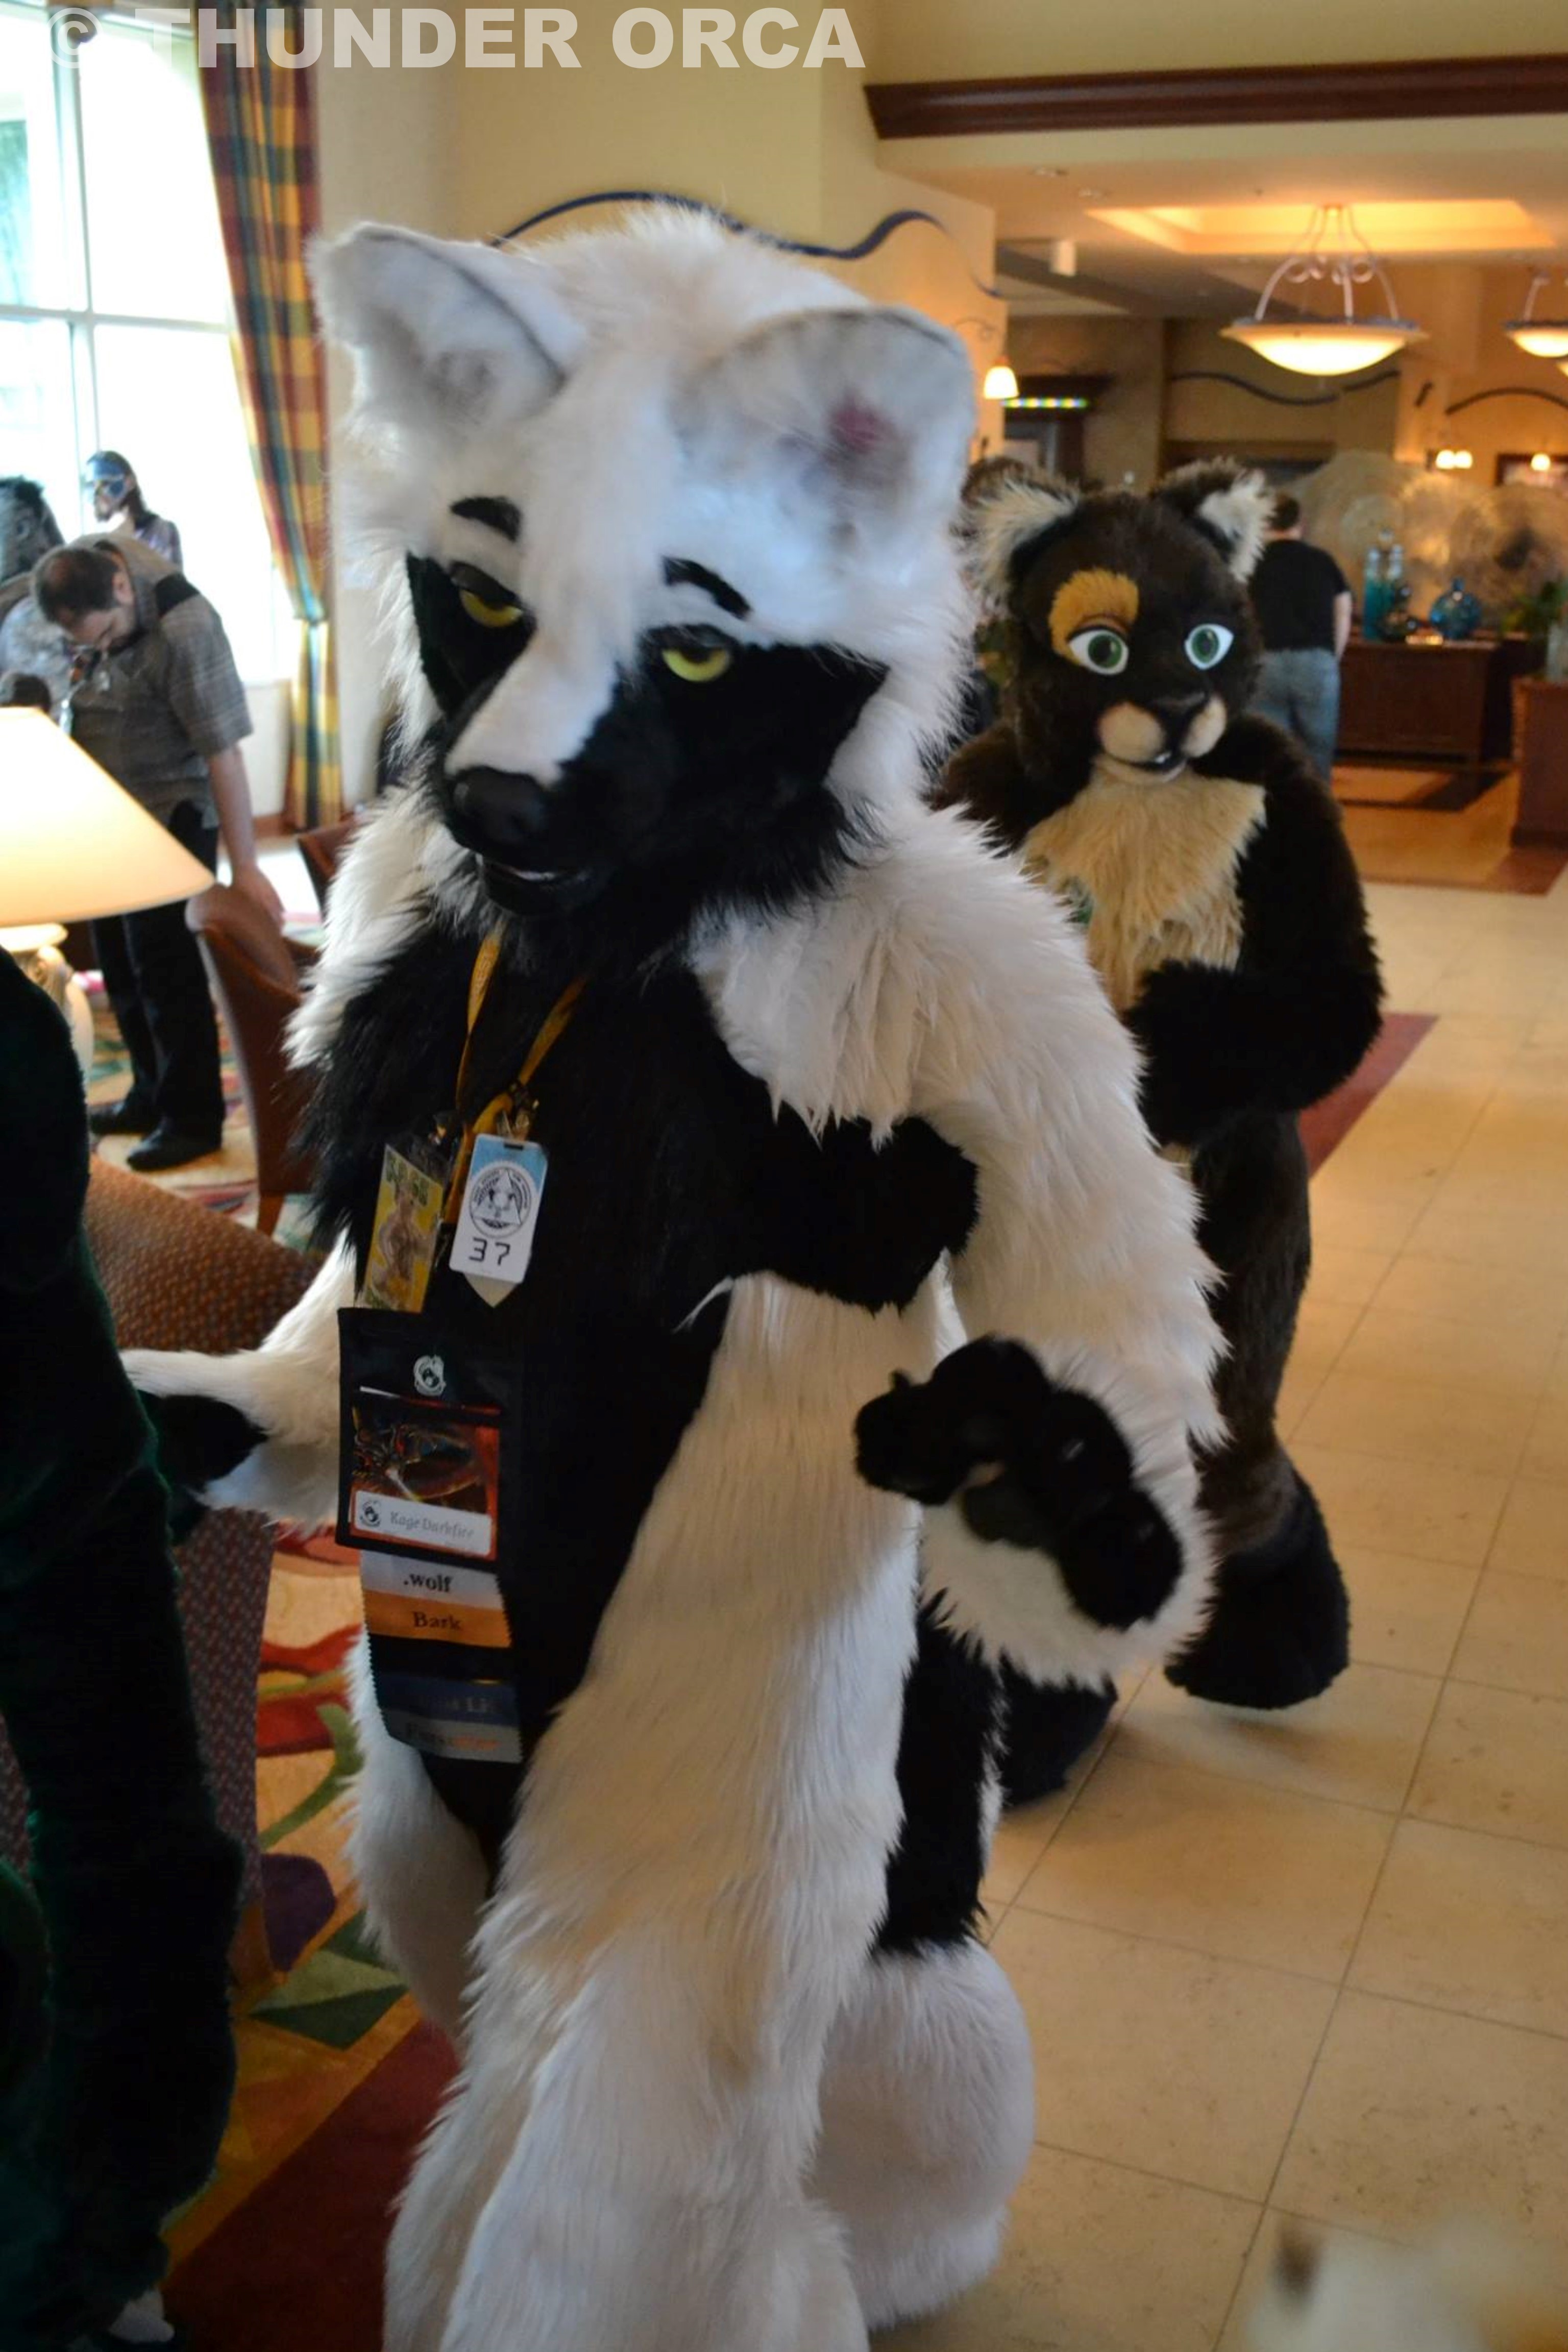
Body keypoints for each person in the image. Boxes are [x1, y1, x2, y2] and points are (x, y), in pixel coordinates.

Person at [0, 947, 239, 2352]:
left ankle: (89, 2253)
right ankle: (83, 2257)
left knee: (132, 1874)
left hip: (65, 1495)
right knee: (130, 1874)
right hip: (62, 1500)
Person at [31, 535, 283, 1172]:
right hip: (111, 816)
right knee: (119, 962)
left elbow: (225, 753)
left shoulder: (186, 628)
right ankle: (149, 1096)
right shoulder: (83, 571)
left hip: (173, 812)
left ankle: (193, 1119)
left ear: (123, 589)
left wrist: (246, 867)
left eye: (105, 635)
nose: (98, 651)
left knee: (165, 969)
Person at [1248, 492, 1353, 780]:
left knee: (1270, 749)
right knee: (1318, 750)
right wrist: (1332, 655)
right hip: (1316, 661)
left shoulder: (1251, 564)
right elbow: (1343, 611)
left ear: (1263, 523)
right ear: (1301, 523)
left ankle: (1275, 804)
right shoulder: (1322, 561)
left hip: (1265, 660)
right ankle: (1315, 804)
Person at [83, 452, 183, 571]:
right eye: (91, 485)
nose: (97, 494)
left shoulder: (160, 530)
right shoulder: (90, 539)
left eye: (105, 484)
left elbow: (167, 577)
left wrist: (126, 542)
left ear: (129, 482)